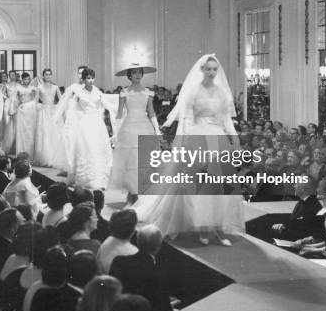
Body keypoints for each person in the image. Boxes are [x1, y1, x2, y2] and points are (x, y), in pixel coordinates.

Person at [132, 54, 245, 245]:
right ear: (202, 70)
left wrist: (234, 140)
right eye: (208, 69)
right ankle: (201, 227)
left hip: (217, 139)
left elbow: (226, 119)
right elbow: (187, 118)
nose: (211, 72)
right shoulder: (193, 91)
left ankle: (217, 226)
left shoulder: (223, 93)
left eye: (214, 69)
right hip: (197, 136)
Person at [109, 64, 161, 204]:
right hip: (129, 127)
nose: (137, 75)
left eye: (139, 72)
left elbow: (151, 112)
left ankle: (141, 192)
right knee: (130, 160)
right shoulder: (124, 92)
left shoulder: (148, 92)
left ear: (142, 74)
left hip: (145, 127)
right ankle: (132, 191)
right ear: (129, 75)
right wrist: (115, 133)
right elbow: (119, 114)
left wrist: (157, 130)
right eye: (134, 72)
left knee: (143, 159)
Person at [69, 68, 113, 190]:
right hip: (84, 123)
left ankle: (99, 178)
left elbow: (107, 105)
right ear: (83, 79)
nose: (91, 80)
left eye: (92, 78)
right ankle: (85, 178)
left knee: (97, 149)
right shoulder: (79, 93)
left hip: (97, 123)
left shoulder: (98, 92)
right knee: (86, 149)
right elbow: (73, 109)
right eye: (88, 78)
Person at [35, 68, 68, 168]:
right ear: (43, 76)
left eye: (50, 74)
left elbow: (62, 100)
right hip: (44, 112)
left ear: (51, 76)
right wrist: (39, 106)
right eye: (46, 74)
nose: (48, 76)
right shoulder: (39, 88)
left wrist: (58, 109)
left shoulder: (55, 87)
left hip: (53, 112)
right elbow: (36, 101)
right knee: (45, 135)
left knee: (55, 134)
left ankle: (54, 158)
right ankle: (46, 158)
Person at [14, 72, 39, 157]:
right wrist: (14, 109)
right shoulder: (18, 88)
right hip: (22, 110)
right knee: (22, 132)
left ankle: (31, 152)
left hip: (31, 111)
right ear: (22, 79)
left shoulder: (33, 88)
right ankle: (22, 152)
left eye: (28, 79)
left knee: (31, 131)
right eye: (25, 79)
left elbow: (37, 99)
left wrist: (33, 96)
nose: (27, 81)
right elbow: (15, 100)